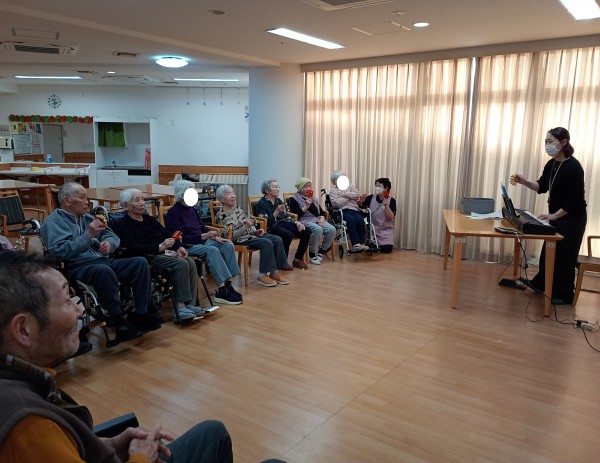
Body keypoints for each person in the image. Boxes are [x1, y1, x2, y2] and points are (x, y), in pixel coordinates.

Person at [0, 250, 285, 463]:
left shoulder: (22, 383)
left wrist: (109, 444)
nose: (78, 311)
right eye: (66, 300)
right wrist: (140, 456)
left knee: (213, 432)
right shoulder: (29, 428)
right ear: (23, 329)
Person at [40, 182, 160, 342]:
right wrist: (89, 235)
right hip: (78, 266)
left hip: (102, 260)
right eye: (82, 197)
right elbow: (61, 251)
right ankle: (118, 321)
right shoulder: (53, 222)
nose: (87, 202)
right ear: (67, 200)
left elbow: (111, 235)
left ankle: (141, 312)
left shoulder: (87, 217)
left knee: (139, 263)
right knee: (103, 270)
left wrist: (109, 244)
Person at [512, 127, 587, 304]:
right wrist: (525, 182)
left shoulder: (574, 167)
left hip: (572, 219)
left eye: (551, 141)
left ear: (563, 143)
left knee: (565, 256)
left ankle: (564, 295)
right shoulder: (552, 164)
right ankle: (540, 284)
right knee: (549, 252)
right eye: (546, 141)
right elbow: (542, 186)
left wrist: (554, 216)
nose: (547, 145)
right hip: (557, 216)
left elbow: (575, 200)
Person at [112, 188, 205, 321]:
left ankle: (190, 304)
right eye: (137, 200)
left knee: (190, 261)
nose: (142, 203)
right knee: (181, 264)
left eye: (142, 199)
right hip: (147, 256)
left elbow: (167, 235)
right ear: (126, 206)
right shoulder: (123, 224)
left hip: (163, 252)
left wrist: (178, 247)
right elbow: (133, 248)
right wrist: (159, 247)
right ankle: (179, 306)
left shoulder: (149, 219)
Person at [165, 180, 242, 305]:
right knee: (213, 250)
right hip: (187, 246)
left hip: (202, 241)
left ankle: (228, 284)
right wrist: (204, 236)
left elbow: (202, 227)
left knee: (227, 245)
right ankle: (221, 290)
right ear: (182, 195)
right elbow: (178, 238)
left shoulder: (192, 209)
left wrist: (214, 237)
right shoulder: (173, 213)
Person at [215, 185, 290, 287]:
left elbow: (248, 222)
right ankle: (262, 275)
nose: (233, 196)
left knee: (277, 239)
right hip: (240, 239)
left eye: (233, 193)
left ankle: (275, 272)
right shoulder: (221, 215)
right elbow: (231, 237)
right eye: (229, 194)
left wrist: (255, 231)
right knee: (266, 242)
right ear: (221, 199)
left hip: (250, 235)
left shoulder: (238, 209)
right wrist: (245, 227)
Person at [254, 179, 312, 270]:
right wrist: (276, 212)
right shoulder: (261, 203)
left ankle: (297, 259)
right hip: (271, 226)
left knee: (306, 231)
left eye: (278, 187)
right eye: (274, 187)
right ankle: (282, 262)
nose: (278, 189)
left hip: (283, 223)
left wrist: (296, 222)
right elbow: (265, 222)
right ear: (266, 190)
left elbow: (286, 215)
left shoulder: (278, 201)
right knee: (287, 234)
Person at [288, 177, 335, 265]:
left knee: (331, 229)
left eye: (310, 186)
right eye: (306, 187)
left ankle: (321, 251)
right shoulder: (293, 199)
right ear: (300, 188)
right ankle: (312, 253)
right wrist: (306, 207)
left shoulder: (313, 199)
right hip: (303, 221)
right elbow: (295, 215)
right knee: (318, 230)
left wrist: (322, 218)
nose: (309, 188)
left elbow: (321, 211)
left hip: (316, 220)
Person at [328, 170, 369, 252]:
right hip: (343, 211)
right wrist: (350, 196)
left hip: (354, 209)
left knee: (360, 220)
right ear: (335, 181)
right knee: (351, 220)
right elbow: (337, 203)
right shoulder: (333, 191)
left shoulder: (350, 186)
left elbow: (356, 194)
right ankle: (356, 244)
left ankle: (362, 244)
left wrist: (344, 194)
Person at [357, 178, 397, 253]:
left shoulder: (391, 201)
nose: (377, 188)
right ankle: (372, 245)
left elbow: (390, 218)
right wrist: (360, 202)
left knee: (387, 249)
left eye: (379, 186)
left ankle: (375, 247)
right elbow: (360, 205)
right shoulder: (371, 198)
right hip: (373, 230)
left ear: (386, 188)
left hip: (385, 231)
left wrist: (386, 206)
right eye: (376, 186)